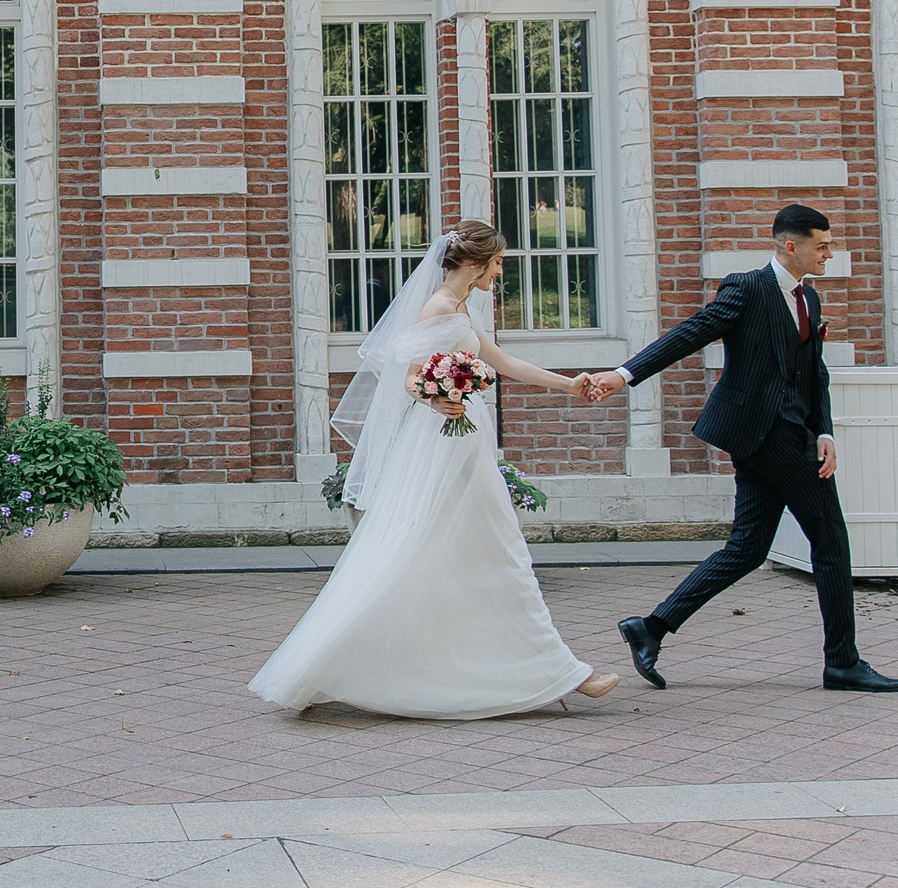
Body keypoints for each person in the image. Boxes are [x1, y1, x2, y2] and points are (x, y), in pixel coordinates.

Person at [249, 221, 620, 719]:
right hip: (447, 445)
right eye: (498, 262)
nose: (501, 271)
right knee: (488, 550)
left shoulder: (462, 306)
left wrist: (570, 385)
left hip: (466, 446)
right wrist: (439, 397)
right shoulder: (439, 307)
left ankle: (542, 670)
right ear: (475, 263)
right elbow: (407, 377)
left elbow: (501, 361)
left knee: (470, 553)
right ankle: (567, 674)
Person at [574, 204, 898, 694]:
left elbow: (814, 375)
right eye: (823, 245)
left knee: (748, 548)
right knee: (831, 539)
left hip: (784, 433)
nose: (830, 252)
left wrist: (826, 432)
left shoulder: (808, 299)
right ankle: (842, 662)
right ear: (791, 246)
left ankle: (652, 627)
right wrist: (623, 375)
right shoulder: (745, 287)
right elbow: (689, 334)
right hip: (767, 433)